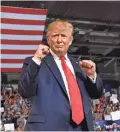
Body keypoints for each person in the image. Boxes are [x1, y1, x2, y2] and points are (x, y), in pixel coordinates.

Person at [18, 20, 103, 131]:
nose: (59, 40)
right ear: (48, 39)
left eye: (63, 36)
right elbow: (25, 91)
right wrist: (37, 59)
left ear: (70, 40)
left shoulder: (79, 65)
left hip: (81, 128)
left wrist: (92, 76)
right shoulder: (35, 62)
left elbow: (96, 94)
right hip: (48, 128)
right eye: (55, 36)